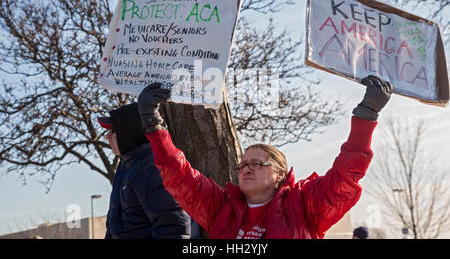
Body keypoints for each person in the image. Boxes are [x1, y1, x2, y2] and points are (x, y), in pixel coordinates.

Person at [136, 75, 393, 239]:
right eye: (243, 164)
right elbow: (179, 176)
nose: (246, 169)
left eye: (257, 164)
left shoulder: (305, 205)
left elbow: (344, 178)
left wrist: (366, 114)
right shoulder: (220, 209)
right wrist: (153, 124)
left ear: (280, 174)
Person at [97, 102, 195, 239]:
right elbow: (114, 225)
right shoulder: (126, 165)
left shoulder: (152, 168)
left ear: (127, 132)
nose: (107, 136)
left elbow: (172, 227)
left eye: (112, 130)